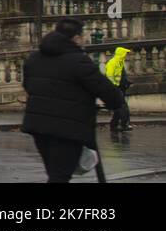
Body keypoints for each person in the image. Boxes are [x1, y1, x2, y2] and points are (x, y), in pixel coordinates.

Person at [22, 19, 123, 182]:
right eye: (83, 36)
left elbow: (28, 86)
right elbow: (106, 90)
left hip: (38, 125)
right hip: (67, 127)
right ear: (76, 38)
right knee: (60, 176)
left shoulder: (34, 58)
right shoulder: (78, 60)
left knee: (55, 173)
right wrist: (115, 103)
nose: (84, 40)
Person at [106, 46, 132, 133]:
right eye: (125, 54)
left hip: (119, 88)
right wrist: (114, 87)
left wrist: (126, 82)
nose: (126, 56)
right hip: (115, 89)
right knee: (123, 107)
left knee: (119, 108)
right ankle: (123, 125)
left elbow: (121, 75)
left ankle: (114, 125)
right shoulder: (112, 63)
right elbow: (109, 76)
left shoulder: (120, 62)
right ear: (121, 54)